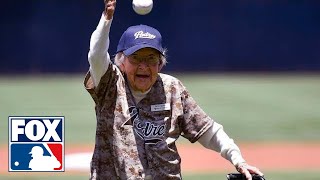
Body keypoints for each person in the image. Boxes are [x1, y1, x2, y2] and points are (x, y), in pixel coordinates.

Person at [84, 0, 264, 179]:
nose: (144, 66)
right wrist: (107, 18)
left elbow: (208, 131)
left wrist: (238, 160)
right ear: (121, 62)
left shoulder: (172, 89)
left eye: (151, 58)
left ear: (160, 63)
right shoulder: (110, 85)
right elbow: (96, 56)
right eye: (136, 58)